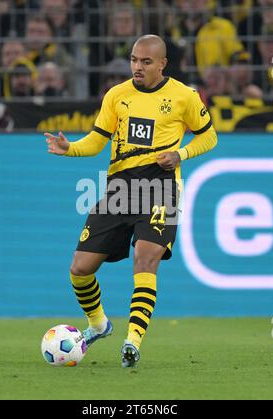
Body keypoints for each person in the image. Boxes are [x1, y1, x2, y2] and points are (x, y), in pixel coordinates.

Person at [44, 35, 218, 368]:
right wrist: (71, 149)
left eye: (146, 61)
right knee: (80, 269)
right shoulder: (117, 95)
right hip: (119, 191)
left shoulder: (184, 96)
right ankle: (99, 324)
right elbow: (97, 141)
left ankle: (132, 341)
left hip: (161, 189)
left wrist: (181, 154)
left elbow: (209, 135)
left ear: (163, 64)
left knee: (145, 257)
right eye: (134, 60)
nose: (138, 67)